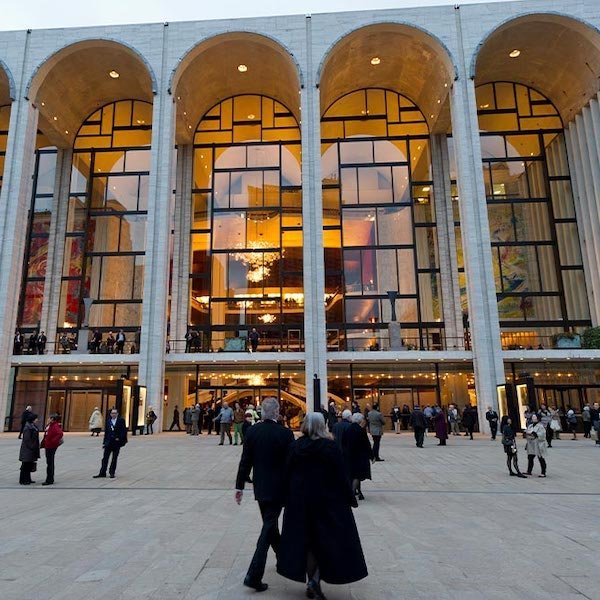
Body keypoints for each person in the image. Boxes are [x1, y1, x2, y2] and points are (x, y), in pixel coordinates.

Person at [276, 413, 368, 599]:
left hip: (300, 502)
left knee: (308, 541)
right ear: (322, 426)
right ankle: (315, 579)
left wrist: (284, 498)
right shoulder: (331, 447)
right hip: (328, 501)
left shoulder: (295, 447)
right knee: (326, 540)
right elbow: (342, 475)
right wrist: (350, 497)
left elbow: (286, 474)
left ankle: (313, 579)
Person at [234, 397, 294, 592]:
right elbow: (291, 464)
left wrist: (239, 486)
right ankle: (254, 574)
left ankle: (283, 559)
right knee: (268, 527)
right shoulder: (285, 434)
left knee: (270, 525)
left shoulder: (253, 431)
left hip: (260, 488)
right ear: (276, 412)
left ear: (262, 412)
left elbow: (245, 461)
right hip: (279, 489)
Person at [345, 412, 373, 501]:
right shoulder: (361, 430)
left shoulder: (348, 429)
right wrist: (371, 456)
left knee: (353, 474)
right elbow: (366, 444)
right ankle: (352, 493)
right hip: (359, 456)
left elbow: (344, 442)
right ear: (360, 420)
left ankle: (358, 492)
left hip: (349, 455)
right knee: (357, 475)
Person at [93, 408, 127, 479]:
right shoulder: (108, 421)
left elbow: (123, 431)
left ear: (117, 414)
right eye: (112, 413)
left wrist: (119, 439)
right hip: (108, 442)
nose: (113, 414)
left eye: (115, 413)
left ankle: (112, 472)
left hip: (116, 443)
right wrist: (104, 442)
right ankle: (102, 472)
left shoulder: (121, 421)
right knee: (105, 458)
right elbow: (107, 433)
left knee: (114, 458)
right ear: (110, 414)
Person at [40, 414, 63, 485]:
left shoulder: (54, 426)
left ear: (52, 419)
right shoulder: (50, 425)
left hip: (51, 446)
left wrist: (53, 441)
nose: (48, 419)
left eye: (49, 418)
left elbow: (60, 434)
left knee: (50, 463)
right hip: (48, 446)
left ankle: (49, 479)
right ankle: (50, 479)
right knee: (49, 462)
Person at [19, 413, 40, 485]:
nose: (37, 420)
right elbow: (27, 439)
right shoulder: (27, 427)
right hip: (27, 449)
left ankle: (28, 479)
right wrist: (32, 446)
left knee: (29, 464)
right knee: (25, 465)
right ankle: (23, 480)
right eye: (36, 418)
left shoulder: (32, 426)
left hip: (31, 449)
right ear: (33, 419)